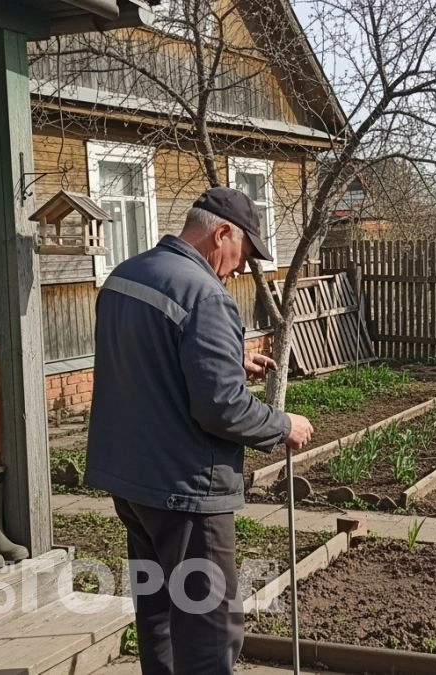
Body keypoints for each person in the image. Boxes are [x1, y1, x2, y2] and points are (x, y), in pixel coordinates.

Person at [85, 186, 314, 675]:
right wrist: (282, 426)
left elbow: (149, 359)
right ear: (221, 232)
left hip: (131, 484)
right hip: (186, 493)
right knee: (208, 629)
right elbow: (222, 409)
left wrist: (230, 359)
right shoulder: (206, 296)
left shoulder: (124, 277)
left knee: (159, 615)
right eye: (242, 253)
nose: (238, 266)